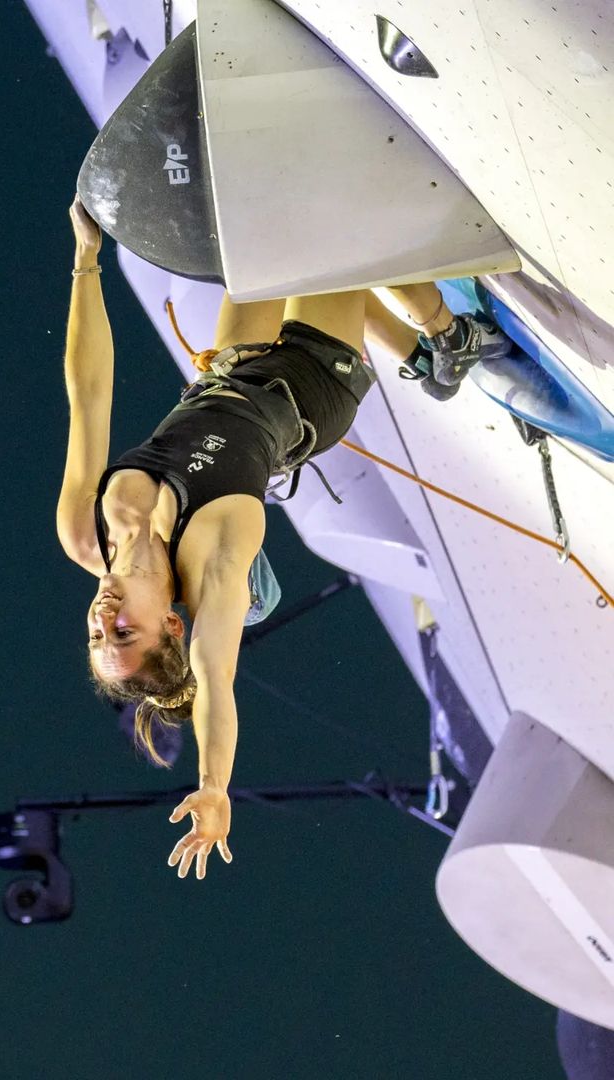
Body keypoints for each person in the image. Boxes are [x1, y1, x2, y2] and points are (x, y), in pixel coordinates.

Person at [57, 196, 508, 881]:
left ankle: (419, 352)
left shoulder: (86, 532)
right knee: (334, 235)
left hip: (228, 373)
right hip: (310, 390)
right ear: (172, 627)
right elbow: (215, 682)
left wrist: (85, 265)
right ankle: (449, 338)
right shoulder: (212, 562)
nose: (103, 621)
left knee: (267, 230)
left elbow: (88, 395)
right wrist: (213, 785)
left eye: (97, 637)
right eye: (125, 634)